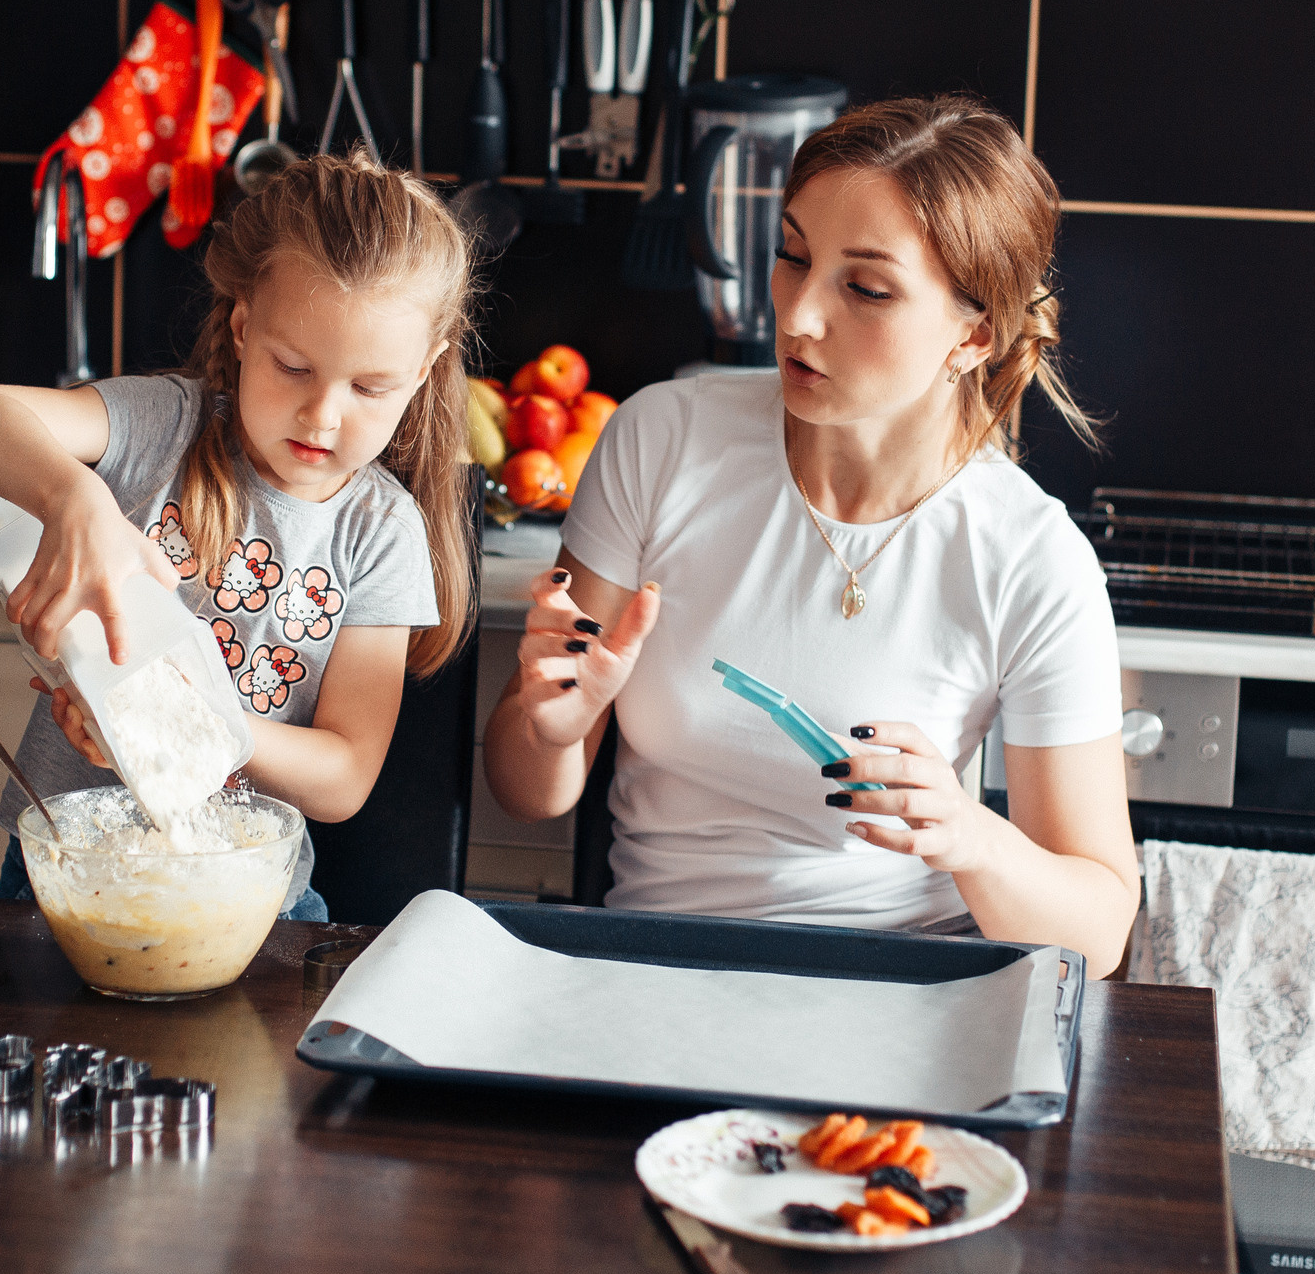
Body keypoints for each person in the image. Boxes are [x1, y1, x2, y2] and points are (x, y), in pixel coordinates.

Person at [482, 96, 1139, 974]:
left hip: (893, 998)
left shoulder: (1029, 557)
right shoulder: (660, 441)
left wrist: (970, 836)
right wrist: (553, 726)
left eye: (865, 287)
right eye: (793, 256)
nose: (797, 315)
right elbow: (525, 793)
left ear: (974, 332)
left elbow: (1098, 934)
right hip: (650, 976)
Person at [0, 151, 477, 921]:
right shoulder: (161, 428)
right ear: (246, 324)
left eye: (369, 387)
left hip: (250, 901)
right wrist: (74, 497)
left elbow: (344, 775)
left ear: (424, 370)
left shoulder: (381, 534)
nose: (323, 414)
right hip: (66, 873)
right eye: (292, 366)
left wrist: (182, 723)